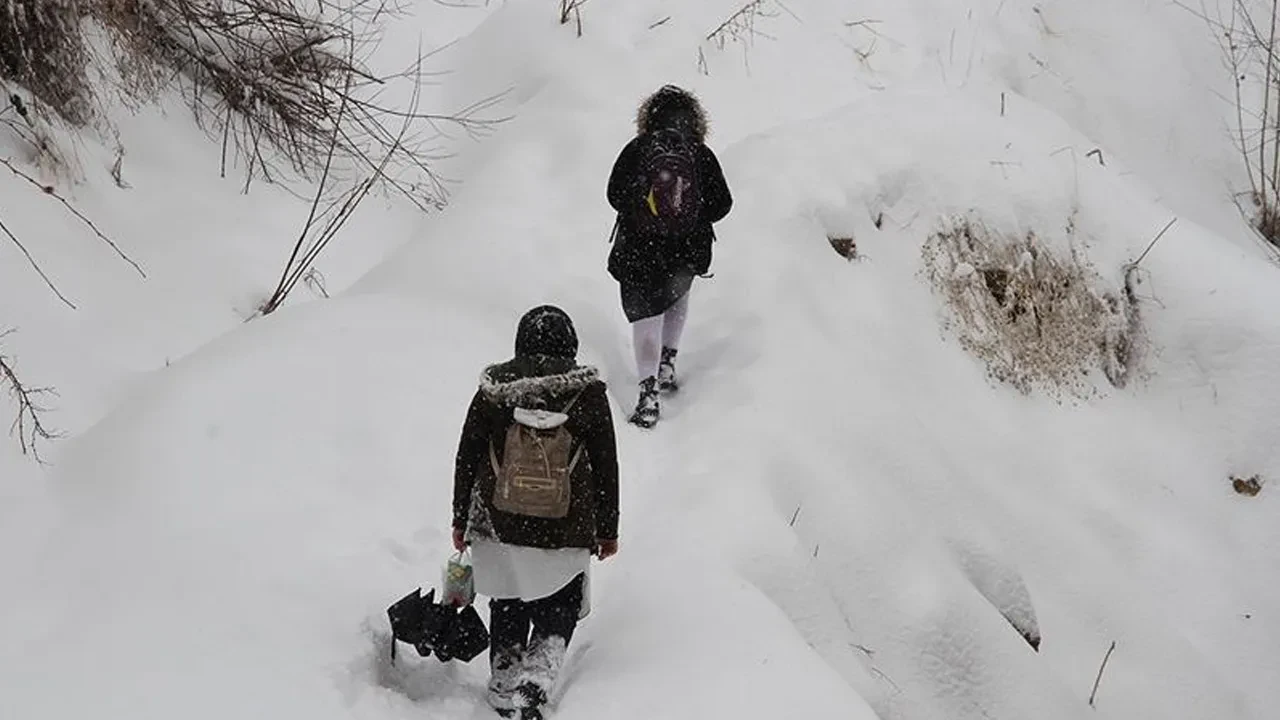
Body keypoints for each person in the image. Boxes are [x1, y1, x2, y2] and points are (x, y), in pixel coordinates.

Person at [451, 305, 620, 720]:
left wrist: (460, 518)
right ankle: (537, 680)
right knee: (560, 602)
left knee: (508, 598)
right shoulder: (589, 395)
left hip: (499, 520)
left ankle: (504, 680)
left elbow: (468, 455)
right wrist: (607, 528)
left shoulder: (493, 391)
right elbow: (605, 463)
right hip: (568, 523)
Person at [607, 84, 733, 428]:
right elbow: (723, 204)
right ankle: (668, 362)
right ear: (695, 119)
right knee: (676, 295)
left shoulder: (638, 148)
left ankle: (648, 393)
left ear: (648, 117)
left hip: (638, 250)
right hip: (685, 251)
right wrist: (689, 215)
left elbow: (614, 194)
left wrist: (643, 209)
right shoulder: (700, 153)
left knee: (645, 317)